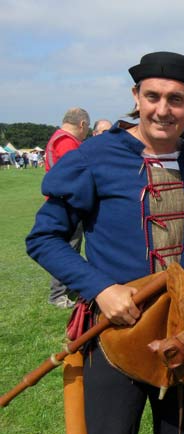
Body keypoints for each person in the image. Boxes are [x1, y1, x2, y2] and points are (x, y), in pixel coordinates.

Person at [26, 51, 184, 434]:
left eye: (176, 99)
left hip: (183, 330)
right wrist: (100, 289)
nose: (163, 110)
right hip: (115, 331)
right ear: (136, 97)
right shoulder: (93, 158)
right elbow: (43, 238)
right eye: (152, 96)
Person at [44, 107, 91, 308]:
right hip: (69, 203)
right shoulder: (67, 142)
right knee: (67, 249)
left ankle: (69, 286)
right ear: (82, 124)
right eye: (87, 128)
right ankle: (58, 295)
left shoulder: (57, 138)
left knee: (71, 246)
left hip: (62, 202)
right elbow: (75, 173)